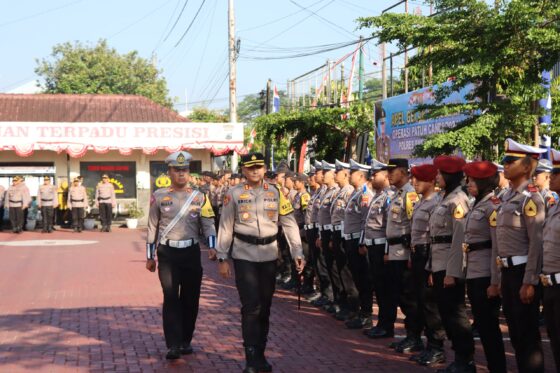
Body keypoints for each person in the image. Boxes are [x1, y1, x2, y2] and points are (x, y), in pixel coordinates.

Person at [216, 152, 305, 373]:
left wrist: (297, 252)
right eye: (250, 167)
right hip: (244, 254)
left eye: (259, 167)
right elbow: (225, 226)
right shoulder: (233, 194)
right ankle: (251, 356)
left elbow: (289, 223)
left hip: (269, 254)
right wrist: (221, 257)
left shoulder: (275, 193)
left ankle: (261, 353)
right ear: (244, 171)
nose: (255, 171)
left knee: (264, 306)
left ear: (264, 169)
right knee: (251, 306)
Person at [145, 151, 216, 360]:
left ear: (189, 172)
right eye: (177, 170)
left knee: (191, 299)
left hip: (191, 252)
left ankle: (186, 340)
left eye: (184, 170)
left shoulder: (200, 197)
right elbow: (152, 227)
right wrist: (150, 256)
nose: (181, 174)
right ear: (169, 172)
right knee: (170, 297)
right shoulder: (158, 196)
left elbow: (208, 223)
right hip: (167, 253)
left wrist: (213, 246)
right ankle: (173, 344)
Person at [496, 138, 545, 372]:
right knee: (515, 332)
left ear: (526, 167)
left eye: (510, 161)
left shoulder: (531, 198)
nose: (504, 165)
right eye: (504, 161)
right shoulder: (506, 197)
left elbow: (536, 242)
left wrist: (529, 280)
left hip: (522, 272)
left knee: (527, 334)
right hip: (507, 271)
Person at [430, 155, 475, 373]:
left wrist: (452, 272)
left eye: (440, 173)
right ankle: (458, 358)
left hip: (450, 263)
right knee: (446, 312)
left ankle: (465, 359)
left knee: (456, 313)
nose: (436, 177)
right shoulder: (444, 198)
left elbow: (458, 239)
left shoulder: (458, 200)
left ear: (449, 175)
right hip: (439, 262)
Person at [463, 161, 506, 373]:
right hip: (473, 270)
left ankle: (497, 368)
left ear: (484, 182)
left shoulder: (492, 205)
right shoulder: (476, 204)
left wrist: (495, 281)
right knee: (482, 324)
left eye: (472, 180)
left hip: (485, 275)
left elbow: (497, 246)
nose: (468, 183)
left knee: (489, 328)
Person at [382, 158, 423, 353]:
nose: (389, 175)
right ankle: (410, 336)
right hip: (394, 252)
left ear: (404, 172)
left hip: (404, 252)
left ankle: (414, 337)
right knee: (400, 296)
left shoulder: (410, 195)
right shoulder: (397, 194)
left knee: (409, 298)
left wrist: (410, 256)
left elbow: (414, 227)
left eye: (393, 171)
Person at [408, 164, 446, 366]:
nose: (414, 182)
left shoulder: (435, 204)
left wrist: (431, 265)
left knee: (431, 304)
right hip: (417, 254)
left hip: (427, 255)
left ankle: (436, 347)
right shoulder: (421, 202)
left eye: (418, 179)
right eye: (413, 179)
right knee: (420, 301)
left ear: (431, 181)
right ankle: (427, 345)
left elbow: (434, 239)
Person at [360, 159, 395, 338]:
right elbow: (367, 223)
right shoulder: (378, 195)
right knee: (378, 287)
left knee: (384, 288)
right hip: (373, 246)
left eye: (376, 174)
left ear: (386, 176)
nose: (372, 177)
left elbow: (390, 226)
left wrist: (388, 251)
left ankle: (386, 324)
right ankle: (381, 323)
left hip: (382, 247)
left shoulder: (389, 196)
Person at [342, 159, 374, 329]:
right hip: (350, 239)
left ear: (361, 176)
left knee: (363, 279)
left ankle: (366, 314)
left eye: (352, 173)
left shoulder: (365, 194)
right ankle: (362, 313)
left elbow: (365, 220)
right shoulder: (356, 193)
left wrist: (362, 242)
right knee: (356, 278)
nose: (349, 175)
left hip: (357, 241)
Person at [329, 160, 357, 317]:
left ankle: (352, 307)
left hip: (345, 234)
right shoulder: (341, 192)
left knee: (346, 272)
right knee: (338, 269)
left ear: (345, 174)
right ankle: (343, 303)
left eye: (337, 172)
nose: (334, 174)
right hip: (337, 232)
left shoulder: (349, 192)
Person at [541, 147, 560, 372]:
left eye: (556, 174)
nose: (551, 177)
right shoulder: (555, 208)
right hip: (551, 285)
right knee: (555, 341)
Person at [315, 161, 340, 308]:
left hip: (333, 233)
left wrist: (330, 237)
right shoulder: (326, 191)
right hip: (323, 231)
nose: (323, 175)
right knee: (326, 267)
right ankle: (329, 297)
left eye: (326, 173)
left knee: (335, 270)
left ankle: (335, 298)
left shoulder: (337, 192)